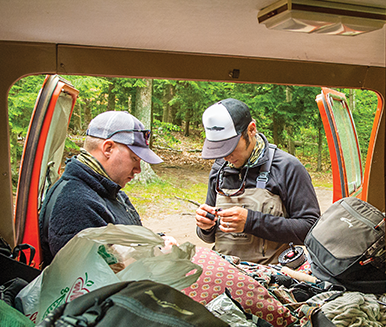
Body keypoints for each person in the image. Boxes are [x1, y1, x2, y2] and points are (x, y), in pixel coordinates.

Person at [195, 98, 320, 264]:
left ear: (251, 130)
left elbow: (310, 229)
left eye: (230, 147)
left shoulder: (287, 167)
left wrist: (252, 222)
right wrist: (205, 226)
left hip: (273, 275)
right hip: (225, 271)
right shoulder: (219, 169)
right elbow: (209, 237)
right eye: (219, 149)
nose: (225, 156)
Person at [39, 111, 164, 266]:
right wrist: (156, 252)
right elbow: (94, 277)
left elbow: (128, 243)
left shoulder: (109, 192)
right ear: (108, 149)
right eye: (134, 158)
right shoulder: (76, 203)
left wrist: (159, 242)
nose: (138, 169)